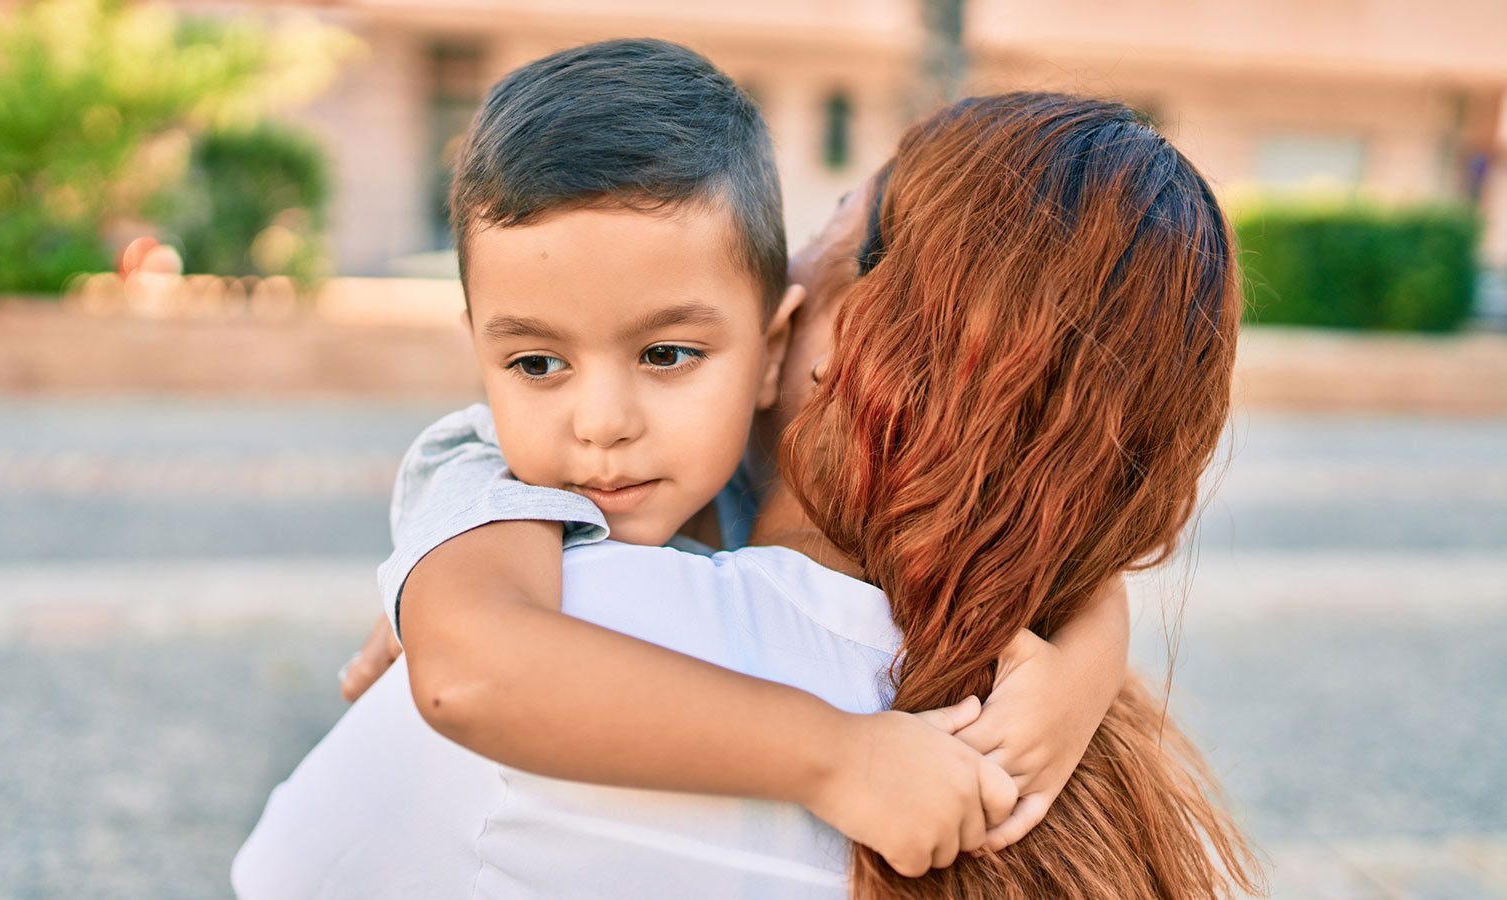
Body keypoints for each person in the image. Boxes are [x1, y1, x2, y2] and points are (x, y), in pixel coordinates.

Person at [235, 89, 1260, 898]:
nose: (600, 425)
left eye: (829, 222)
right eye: (539, 361)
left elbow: (291, 866)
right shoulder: (1090, 763)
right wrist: (1086, 656)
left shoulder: (587, 639)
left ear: (831, 346)